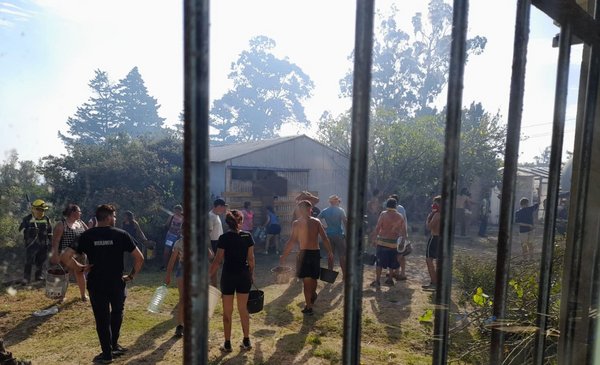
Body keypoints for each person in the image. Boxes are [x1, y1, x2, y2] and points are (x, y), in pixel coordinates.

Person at [61, 204, 144, 364]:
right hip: (116, 282)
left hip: (96, 284)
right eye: (114, 216)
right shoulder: (121, 234)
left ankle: (107, 353)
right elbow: (139, 258)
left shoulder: (87, 235)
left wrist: (79, 267)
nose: (115, 219)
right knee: (117, 312)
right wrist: (131, 276)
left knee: (102, 318)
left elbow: (65, 256)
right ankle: (114, 346)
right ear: (107, 218)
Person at [209, 210, 255, 352]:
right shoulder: (248, 236)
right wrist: (250, 274)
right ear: (240, 221)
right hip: (243, 276)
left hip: (228, 276)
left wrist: (207, 277)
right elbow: (251, 260)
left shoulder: (223, 238)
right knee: (243, 309)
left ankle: (227, 343)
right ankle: (246, 341)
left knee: (227, 311)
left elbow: (217, 261)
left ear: (227, 223)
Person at [280, 200, 334, 315]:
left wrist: (330, 251)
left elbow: (324, 238)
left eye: (308, 209)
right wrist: (284, 255)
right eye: (306, 209)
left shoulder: (315, 222)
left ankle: (312, 295)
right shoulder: (298, 223)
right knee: (307, 281)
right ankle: (309, 306)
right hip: (308, 254)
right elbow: (292, 241)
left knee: (312, 279)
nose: (307, 211)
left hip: (312, 253)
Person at [165, 235, 214, 338]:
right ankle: (180, 326)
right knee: (183, 298)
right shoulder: (179, 242)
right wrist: (168, 275)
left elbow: (210, 255)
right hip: (183, 269)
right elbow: (172, 259)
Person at [50, 203, 88, 302]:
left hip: (80, 254)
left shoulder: (80, 222)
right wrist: (55, 255)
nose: (81, 213)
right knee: (64, 276)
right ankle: (60, 297)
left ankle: (83, 295)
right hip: (65, 255)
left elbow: (88, 234)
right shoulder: (61, 224)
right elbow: (55, 241)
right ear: (73, 212)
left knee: (80, 273)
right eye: (79, 211)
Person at [369, 198, 407, 288]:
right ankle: (390, 279)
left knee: (379, 263)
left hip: (382, 242)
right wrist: (402, 243)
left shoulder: (383, 214)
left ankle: (377, 281)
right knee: (392, 262)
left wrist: (373, 239)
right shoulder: (400, 216)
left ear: (387, 205)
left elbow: (378, 228)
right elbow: (404, 232)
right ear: (395, 206)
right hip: (393, 243)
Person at [19, 199, 53, 284]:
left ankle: (38, 276)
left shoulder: (46, 218)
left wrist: (51, 241)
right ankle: (26, 278)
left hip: (43, 244)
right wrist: (30, 231)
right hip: (31, 244)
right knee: (29, 262)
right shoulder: (27, 219)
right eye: (39, 209)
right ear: (34, 209)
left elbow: (50, 231)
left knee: (40, 261)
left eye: (43, 209)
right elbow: (20, 231)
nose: (41, 211)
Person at [318, 195, 347, 280]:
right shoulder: (340, 210)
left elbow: (317, 219)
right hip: (339, 235)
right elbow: (345, 222)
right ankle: (345, 276)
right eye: (338, 201)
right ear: (336, 201)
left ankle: (329, 276)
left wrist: (324, 227)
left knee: (330, 255)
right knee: (342, 255)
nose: (339, 202)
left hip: (329, 235)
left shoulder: (325, 211)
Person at [422, 196, 441, 291]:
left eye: (436, 203)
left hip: (434, 238)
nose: (433, 205)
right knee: (438, 261)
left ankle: (434, 282)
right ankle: (436, 282)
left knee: (429, 260)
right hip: (441, 239)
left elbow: (429, 227)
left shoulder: (437, 215)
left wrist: (429, 217)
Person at [209, 199, 228, 286]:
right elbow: (206, 234)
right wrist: (209, 249)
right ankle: (213, 287)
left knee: (218, 266)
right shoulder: (211, 216)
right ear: (219, 206)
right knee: (214, 267)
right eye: (223, 208)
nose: (224, 210)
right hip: (213, 244)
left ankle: (214, 287)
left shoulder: (216, 215)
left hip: (219, 243)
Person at [162, 205, 183, 270]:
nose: (176, 212)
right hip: (170, 236)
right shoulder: (171, 216)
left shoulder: (183, 218)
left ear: (180, 211)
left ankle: (179, 267)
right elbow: (167, 224)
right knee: (166, 251)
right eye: (175, 211)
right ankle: (165, 266)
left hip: (178, 237)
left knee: (178, 252)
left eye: (178, 211)